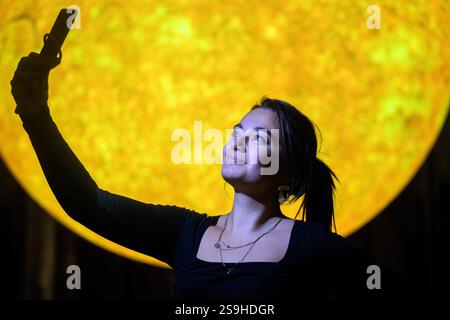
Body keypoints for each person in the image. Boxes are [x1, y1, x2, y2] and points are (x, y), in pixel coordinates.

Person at [10, 51, 407, 301]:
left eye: (257, 138)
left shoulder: (313, 246)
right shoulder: (185, 232)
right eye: (237, 132)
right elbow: (89, 204)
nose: (237, 141)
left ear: (285, 171)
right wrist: (35, 115)